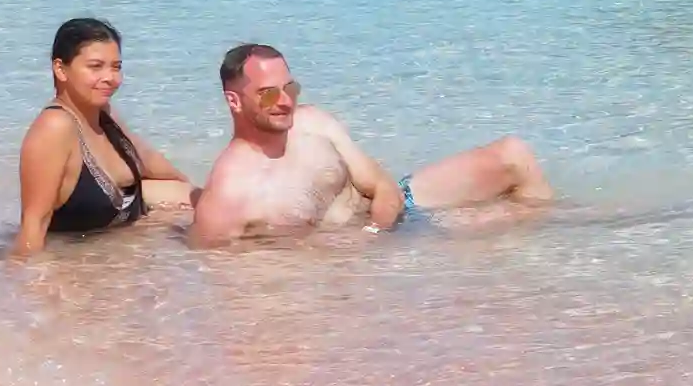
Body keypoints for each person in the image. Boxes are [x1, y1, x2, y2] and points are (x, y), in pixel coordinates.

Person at [189, 43, 550, 247]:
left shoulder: (313, 122)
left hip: (401, 213)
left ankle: (553, 256)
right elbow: (232, 293)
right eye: (268, 95)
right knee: (555, 223)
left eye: (290, 89)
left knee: (514, 155)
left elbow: (382, 186)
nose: (285, 101)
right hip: (376, 257)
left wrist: (376, 235)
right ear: (235, 102)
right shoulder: (228, 198)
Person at [13, 17, 195, 256]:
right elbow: (34, 223)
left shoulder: (103, 114)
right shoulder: (55, 128)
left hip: (126, 245)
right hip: (83, 261)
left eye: (116, 67)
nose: (111, 78)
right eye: (96, 66)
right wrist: (24, 284)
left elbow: (148, 160)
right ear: (60, 69)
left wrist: (198, 196)